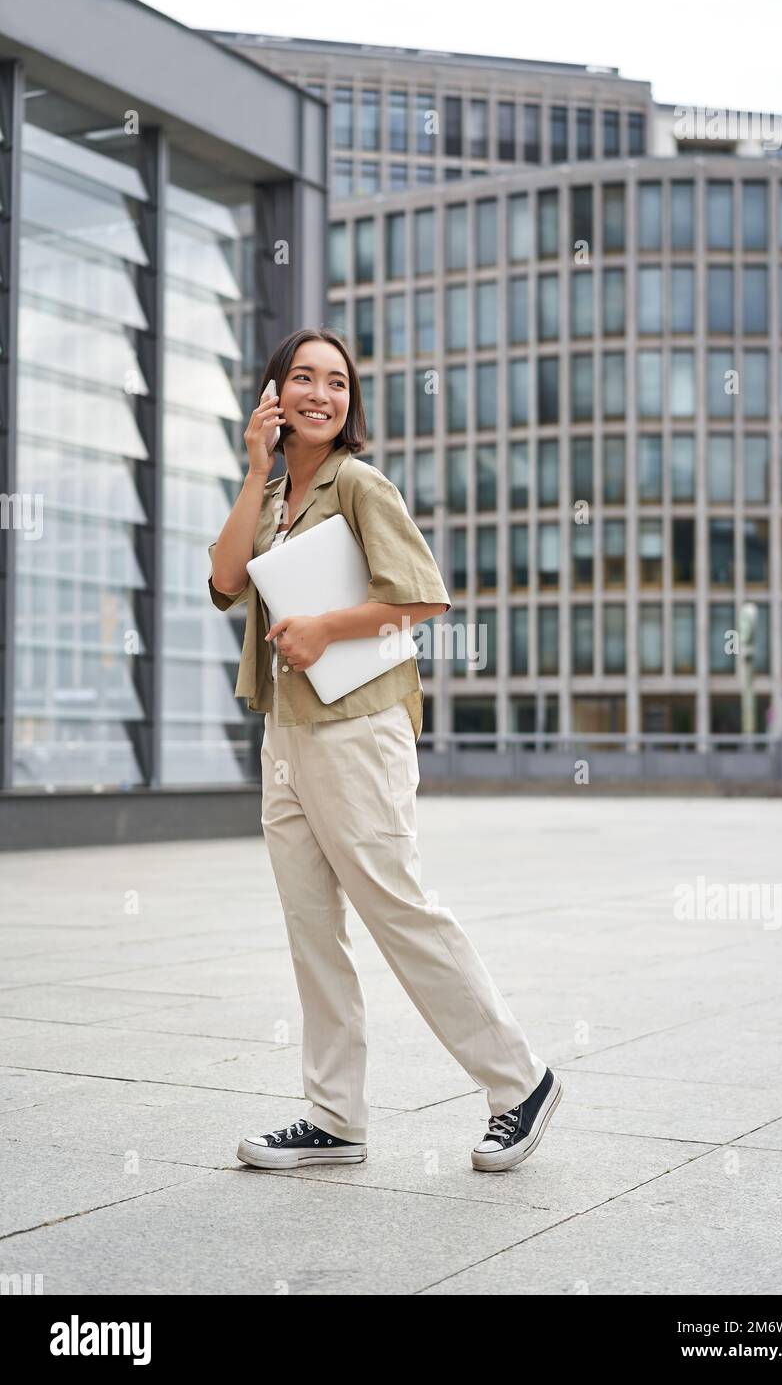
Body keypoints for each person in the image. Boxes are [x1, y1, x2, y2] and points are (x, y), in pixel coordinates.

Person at [207, 326, 561, 1173]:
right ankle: (334, 1116)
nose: (319, 393)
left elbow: (422, 599)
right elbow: (224, 584)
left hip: (359, 727)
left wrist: (328, 626)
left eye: (335, 381)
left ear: (348, 402)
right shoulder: (272, 493)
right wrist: (256, 469)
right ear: (274, 396)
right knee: (311, 928)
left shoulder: (360, 484)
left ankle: (521, 1083)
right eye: (302, 378)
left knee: (397, 909)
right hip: (286, 731)